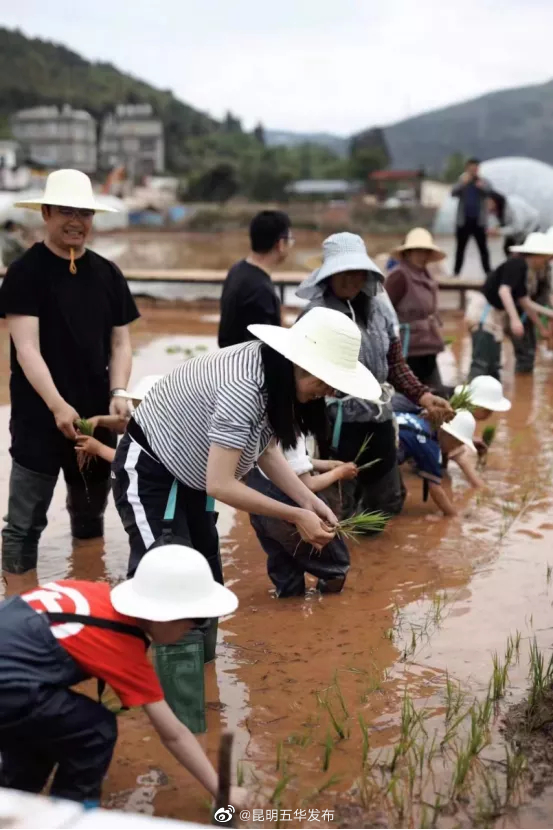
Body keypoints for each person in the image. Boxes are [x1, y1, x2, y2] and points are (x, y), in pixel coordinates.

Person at [112, 306, 380, 729]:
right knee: (169, 586)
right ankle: (174, 721)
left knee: (206, 581)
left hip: (195, 474)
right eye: (323, 379)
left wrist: (311, 504)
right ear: (298, 361)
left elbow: (265, 450)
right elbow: (223, 485)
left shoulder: (277, 380)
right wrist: (296, 514)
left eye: (333, 383)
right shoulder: (245, 387)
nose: (326, 390)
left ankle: (201, 692)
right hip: (152, 471)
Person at [0, 543, 247, 809]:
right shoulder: (121, 644)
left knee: (43, 737)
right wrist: (221, 790)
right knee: (95, 730)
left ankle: (14, 805)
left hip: (14, 674)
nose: (195, 629)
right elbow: (173, 734)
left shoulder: (92, 594)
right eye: (197, 620)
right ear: (165, 615)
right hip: (10, 682)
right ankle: (70, 816)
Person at [0, 171, 139, 576]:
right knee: (23, 527)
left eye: (84, 212)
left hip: (95, 418)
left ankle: (86, 591)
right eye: (65, 211)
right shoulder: (26, 272)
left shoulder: (108, 273)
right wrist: (58, 405)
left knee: (90, 516)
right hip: (38, 417)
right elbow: (26, 348)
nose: (75, 220)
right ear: (45, 213)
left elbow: (121, 342)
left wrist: (119, 390)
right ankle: (16, 607)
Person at [296, 232, 453, 518]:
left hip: (379, 418)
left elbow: (395, 364)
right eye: (342, 272)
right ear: (327, 275)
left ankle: (377, 560)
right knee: (336, 510)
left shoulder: (378, 310)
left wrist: (424, 395)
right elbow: (298, 377)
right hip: (336, 423)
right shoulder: (315, 316)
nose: (351, 280)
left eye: (357, 272)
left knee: (386, 502)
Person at [247, 434, 356, 597]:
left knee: (284, 564)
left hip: (258, 502)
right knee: (335, 566)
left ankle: (289, 608)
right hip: (289, 504)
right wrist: (339, 473)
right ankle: (328, 613)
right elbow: (307, 484)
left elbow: (283, 457)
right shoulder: (292, 428)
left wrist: (328, 464)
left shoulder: (264, 421)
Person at [465, 232, 553, 378]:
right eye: (546, 258)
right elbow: (504, 291)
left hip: (494, 316)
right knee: (482, 364)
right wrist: (515, 320)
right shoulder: (517, 264)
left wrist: (541, 326)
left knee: (493, 366)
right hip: (483, 313)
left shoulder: (526, 271)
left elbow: (525, 302)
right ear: (538, 255)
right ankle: (469, 397)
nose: (547, 262)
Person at [218, 210, 292, 348]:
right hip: (246, 368)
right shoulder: (260, 290)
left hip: (228, 363)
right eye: (290, 240)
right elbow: (263, 351)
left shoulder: (237, 270)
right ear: (281, 244)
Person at [386, 228, 447, 390]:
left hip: (428, 344)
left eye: (426, 251)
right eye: (418, 251)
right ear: (408, 252)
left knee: (436, 393)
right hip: (408, 348)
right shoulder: (399, 276)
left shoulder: (427, 275)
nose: (422, 255)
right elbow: (384, 309)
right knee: (410, 395)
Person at [396, 409, 483, 517]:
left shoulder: (425, 422)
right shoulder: (431, 447)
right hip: (380, 447)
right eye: (458, 443)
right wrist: (453, 515)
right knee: (394, 498)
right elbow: (435, 489)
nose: (457, 447)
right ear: (449, 434)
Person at [75, 375, 163, 465]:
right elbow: (123, 422)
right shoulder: (148, 424)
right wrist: (98, 420)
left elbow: (127, 459)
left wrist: (99, 448)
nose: (134, 409)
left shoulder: (158, 441)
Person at [451, 375, 511, 462]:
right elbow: (458, 457)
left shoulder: (459, 409)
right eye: (488, 410)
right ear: (475, 405)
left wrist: (469, 440)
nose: (490, 414)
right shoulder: (459, 417)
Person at [452, 158, 492, 276]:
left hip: (479, 221)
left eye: (475, 168)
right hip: (464, 221)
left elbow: (490, 192)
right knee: (460, 249)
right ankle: (456, 272)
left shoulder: (483, 181)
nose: (473, 171)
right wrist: (463, 183)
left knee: (483, 249)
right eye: (471, 168)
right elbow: (453, 193)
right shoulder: (462, 181)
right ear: (467, 169)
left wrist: (481, 186)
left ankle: (488, 273)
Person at [487, 192, 540, 258]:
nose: (486, 205)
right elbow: (502, 223)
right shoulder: (496, 209)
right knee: (508, 249)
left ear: (495, 200)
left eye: (488, 202)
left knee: (523, 254)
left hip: (530, 228)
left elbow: (518, 227)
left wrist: (499, 231)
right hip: (517, 231)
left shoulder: (512, 206)